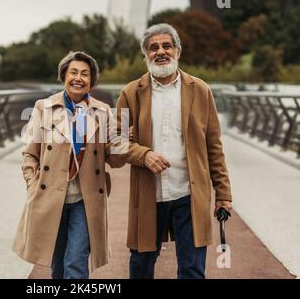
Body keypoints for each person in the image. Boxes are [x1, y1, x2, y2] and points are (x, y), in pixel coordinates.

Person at [115, 23, 233, 279]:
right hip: (149, 193)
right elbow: (114, 143)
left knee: (192, 270)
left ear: (178, 51)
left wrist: (223, 192)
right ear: (145, 55)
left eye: (167, 45)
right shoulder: (130, 93)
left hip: (189, 193)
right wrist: (142, 154)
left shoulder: (200, 90)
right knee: (141, 265)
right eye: (153, 47)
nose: (161, 52)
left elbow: (214, 145)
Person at [12, 51, 121, 279]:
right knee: (58, 266)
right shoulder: (44, 107)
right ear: (63, 76)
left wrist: (123, 143)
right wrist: (33, 186)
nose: (79, 78)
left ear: (91, 81)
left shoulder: (102, 112)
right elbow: (30, 154)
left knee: (75, 262)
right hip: (51, 197)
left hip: (85, 198)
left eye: (85, 74)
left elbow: (115, 157)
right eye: (73, 72)